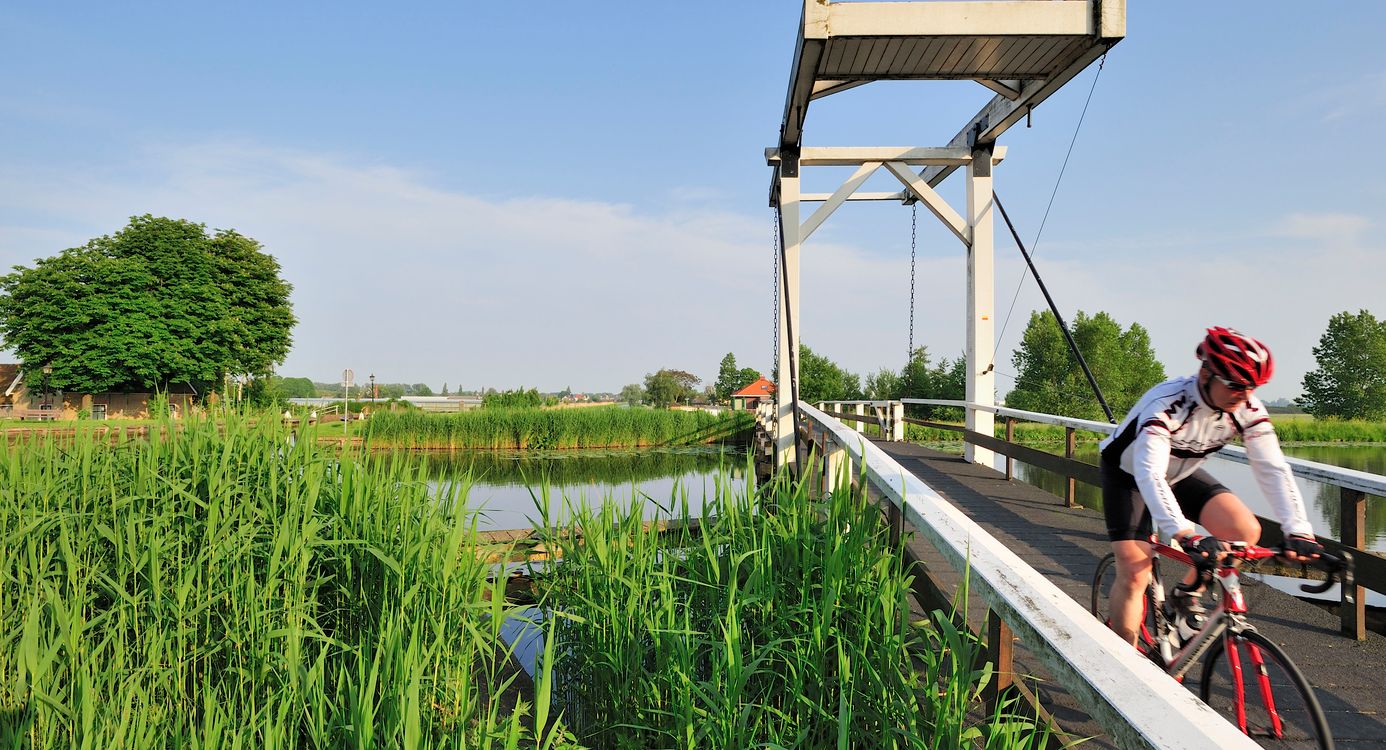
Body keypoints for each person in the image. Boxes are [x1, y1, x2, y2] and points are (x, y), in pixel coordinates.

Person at [1099, 326, 1324, 646]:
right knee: (1136, 570)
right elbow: (1150, 474)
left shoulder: (1247, 409)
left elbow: (1272, 469)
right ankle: (1122, 661)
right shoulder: (1167, 404)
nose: (1245, 395)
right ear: (1206, 372)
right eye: (1235, 385)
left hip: (1180, 472)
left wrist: (1299, 529)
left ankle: (1187, 593)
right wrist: (1184, 533)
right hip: (1129, 476)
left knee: (1244, 531)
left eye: (1253, 387)